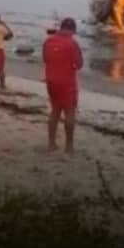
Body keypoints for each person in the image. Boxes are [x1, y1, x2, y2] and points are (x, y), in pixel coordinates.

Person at [42, 17, 84, 153]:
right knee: (69, 113)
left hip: (51, 81)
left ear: (61, 28)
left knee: (55, 111)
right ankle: (69, 147)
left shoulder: (48, 41)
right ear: (72, 30)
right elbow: (79, 65)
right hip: (67, 83)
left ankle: (50, 144)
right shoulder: (72, 43)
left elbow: (45, 59)